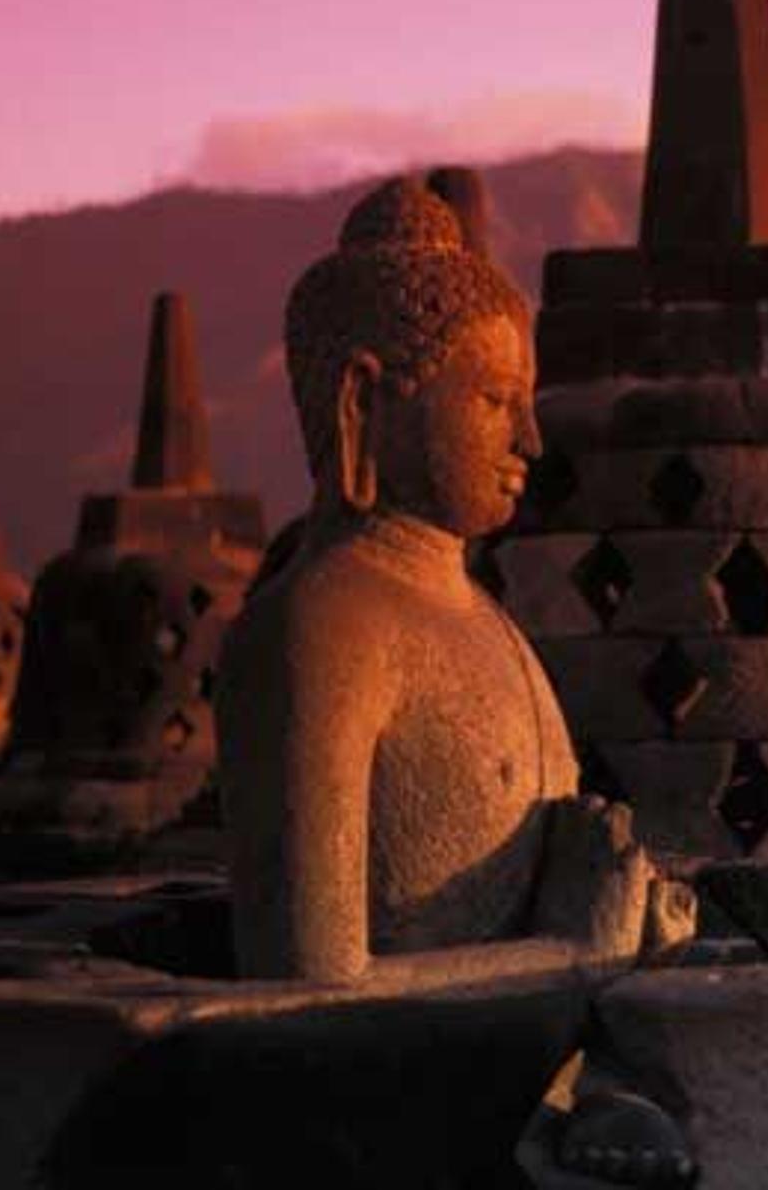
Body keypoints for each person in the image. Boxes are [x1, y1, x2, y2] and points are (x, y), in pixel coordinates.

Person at [217, 176, 689, 988]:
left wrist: (632, 927)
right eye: (496, 401)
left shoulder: (484, 619)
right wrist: (576, 954)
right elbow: (308, 977)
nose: (530, 440)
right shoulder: (323, 630)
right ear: (364, 401)